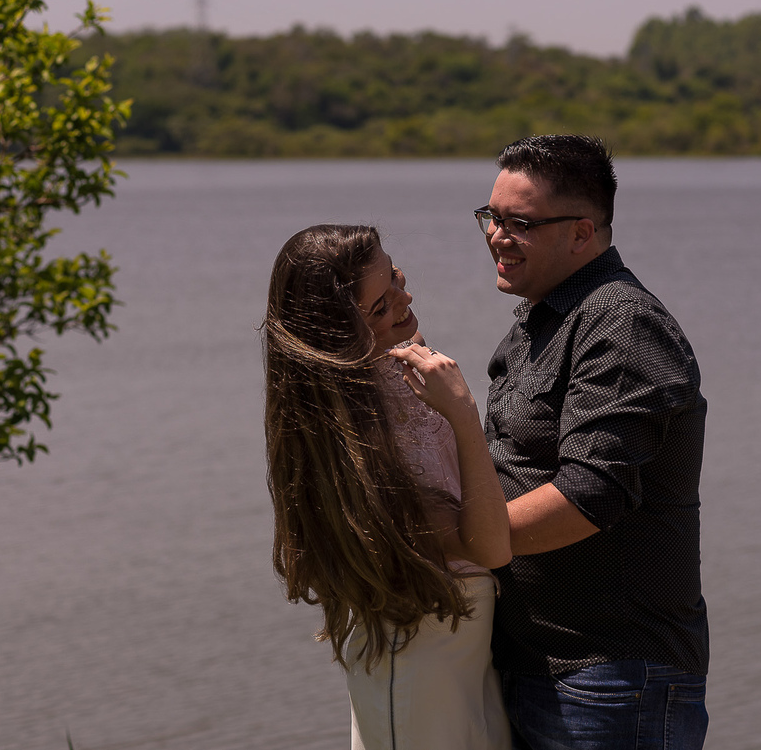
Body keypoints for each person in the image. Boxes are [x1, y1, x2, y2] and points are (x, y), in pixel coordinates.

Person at [476, 135, 710, 750]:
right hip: (537, 667)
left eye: (520, 223)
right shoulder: (542, 317)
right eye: (492, 217)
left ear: (582, 233)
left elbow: (590, 496)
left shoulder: (622, 323)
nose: (497, 236)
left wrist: (454, 541)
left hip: (612, 679)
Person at [262, 224, 513, 750]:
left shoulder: (399, 372)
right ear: (339, 337)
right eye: (380, 306)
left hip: (460, 649)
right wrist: (464, 413)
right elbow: (489, 546)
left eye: (396, 277)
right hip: (419, 658)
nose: (406, 298)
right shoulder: (357, 445)